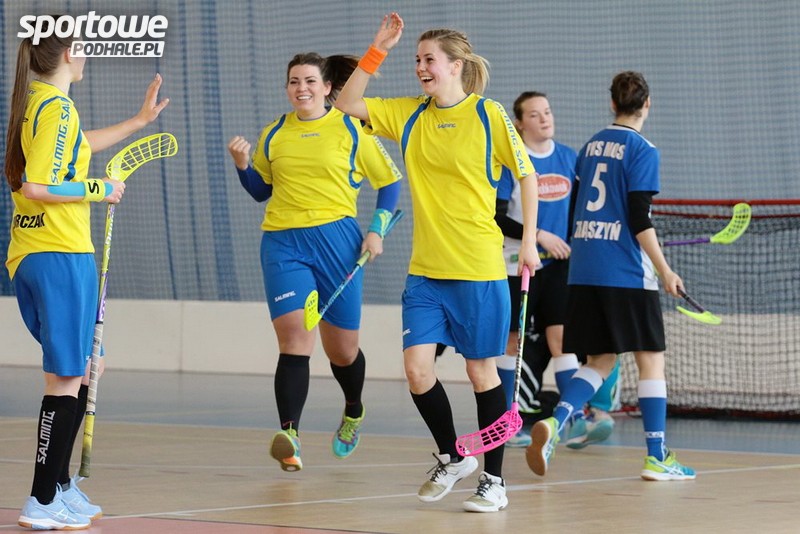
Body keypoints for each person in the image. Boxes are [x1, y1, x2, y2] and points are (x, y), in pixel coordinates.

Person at [335, 13, 540, 512]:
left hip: (478, 268)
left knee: (481, 373)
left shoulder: (489, 115)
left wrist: (530, 242)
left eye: (429, 59)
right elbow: (346, 102)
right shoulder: (408, 114)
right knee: (417, 370)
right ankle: (453, 456)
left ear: (455, 66)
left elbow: (527, 176)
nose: (421, 68)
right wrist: (378, 49)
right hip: (426, 271)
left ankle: (494, 482)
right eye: (417, 60)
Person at [5, 32, 169, 530]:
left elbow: (72, 150)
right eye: (83, 47)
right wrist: (99, 188)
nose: (88, 55)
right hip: (59, 251)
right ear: (68, 54)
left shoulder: (37, 101)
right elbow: (37, 183)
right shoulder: (57, 108)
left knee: (81, 371)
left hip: (36, 252)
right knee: (66, 377)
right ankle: (41, 498)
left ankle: (58, 485)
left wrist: (137, 122)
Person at [227, 52, 402, 473]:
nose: (301, 88)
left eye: (309, 81)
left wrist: (376, 229)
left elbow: (389, 183)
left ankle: (354, 408)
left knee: (342, 351)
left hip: (338, 243)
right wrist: (243, 166)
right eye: (293, 81)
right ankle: (290, 436)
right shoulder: (274, 133)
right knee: (294, 339)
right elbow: (261, 191)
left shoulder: (353, 129)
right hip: (283, 243)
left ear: (326, 87)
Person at [526, 71, 696, 481]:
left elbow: (577, 211)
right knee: (651, 361)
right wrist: (665, 269)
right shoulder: (643, 149)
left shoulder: (589, 147)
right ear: (647, 104)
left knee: (599, 360)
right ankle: (656, 456)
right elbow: (639, 218)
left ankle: (556, 422)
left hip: (584, 269)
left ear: (612, 103)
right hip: (625, 271)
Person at [495, 91, 619, 449]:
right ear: (520, 123)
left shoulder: (568, 158)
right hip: (517, 263)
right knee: (511, 341)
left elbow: (583, 208)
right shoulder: (510, 161)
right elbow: (497, 217)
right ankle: (505, 421)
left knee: (562, 340)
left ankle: (572, 418)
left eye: (547, 112)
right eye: (534, 114)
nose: (544, 119)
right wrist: (538, 235)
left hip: (559, 266)